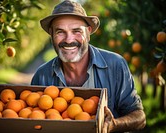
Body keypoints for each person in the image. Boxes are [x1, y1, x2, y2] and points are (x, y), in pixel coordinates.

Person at [31, 0, 146, 132]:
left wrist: (114, 124)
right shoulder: (42, 75)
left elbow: (139, 117)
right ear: (51, 35)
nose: (69, 40)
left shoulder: (115, 65)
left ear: (88, 32)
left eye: (76, 31)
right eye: (60, 32)